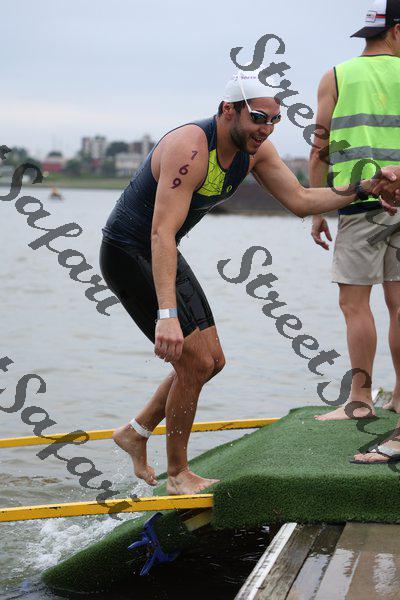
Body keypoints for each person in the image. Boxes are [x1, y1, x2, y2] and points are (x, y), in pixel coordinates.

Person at [100, 70, 400, 494]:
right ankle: (178, 475)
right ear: (228, 110)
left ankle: (136, 432)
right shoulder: (190, 147)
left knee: (212, 362)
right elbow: (160, 232)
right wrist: (167, 315)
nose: (267, 128)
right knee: (194, 362)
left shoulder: (255, 151)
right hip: (129, 253)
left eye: (275, 120)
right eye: (259, 118)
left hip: (162, 253)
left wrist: (363, 188)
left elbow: (301, 200)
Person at [310, 0, 400, 428]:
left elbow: (320, 148)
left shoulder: (336, 76)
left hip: (359, 202)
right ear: (397, 31)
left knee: (355, 304)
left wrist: (316, 209)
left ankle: (361, 399)